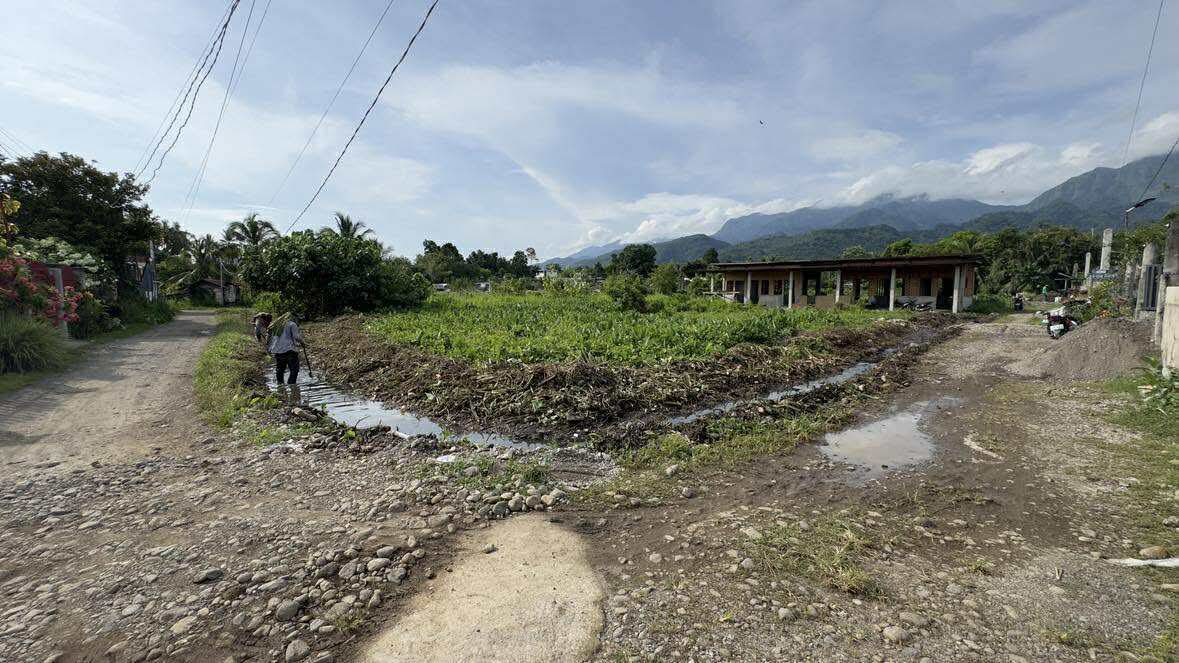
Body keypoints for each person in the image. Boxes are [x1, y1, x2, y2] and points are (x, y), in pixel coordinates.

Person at [268, 314, 305, 385]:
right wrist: (303, 343)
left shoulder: (277, 325)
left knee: (280, 370)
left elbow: (274, 338)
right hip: (289, 350)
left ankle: (280, 386)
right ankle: (292, 385)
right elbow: (296, 337)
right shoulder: (292, 324)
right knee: (294, 370)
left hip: (278, 351)